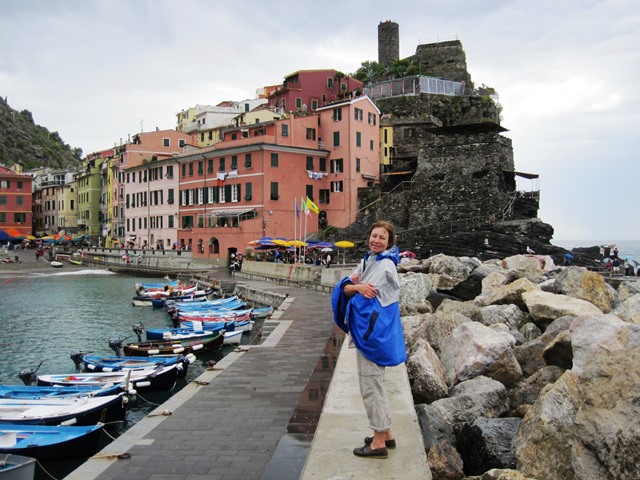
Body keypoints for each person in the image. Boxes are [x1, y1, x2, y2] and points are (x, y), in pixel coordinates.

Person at [331, 220, 407, 459]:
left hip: (372, 336)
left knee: (371, 386)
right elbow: (346, 286)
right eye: (374, 236)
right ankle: (388, 433)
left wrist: (355, 287)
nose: (376, 240)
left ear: (390, 242)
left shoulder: (384, 267)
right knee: (377, 384)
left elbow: (354, 288)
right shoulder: (370, 260)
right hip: (372, 334)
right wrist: (357, 287)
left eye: (382, 238)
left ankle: (378, 443)